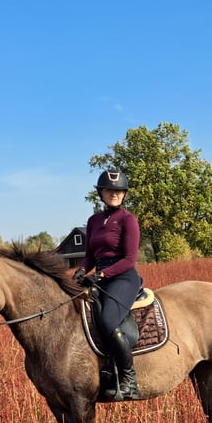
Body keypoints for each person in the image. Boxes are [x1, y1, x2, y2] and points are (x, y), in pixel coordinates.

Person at [73, 170, 142, 400]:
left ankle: (129, 379)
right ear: (101, 193)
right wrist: (83, 270)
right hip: (101, 275)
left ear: (123, 194)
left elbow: (129, 260)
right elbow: (90, 256)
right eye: (109, 190)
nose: (114, 194)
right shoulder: (93, 221)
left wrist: (102, 274)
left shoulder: (128, 220)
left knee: (108, 320)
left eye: (118, 190)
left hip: (123, 277)